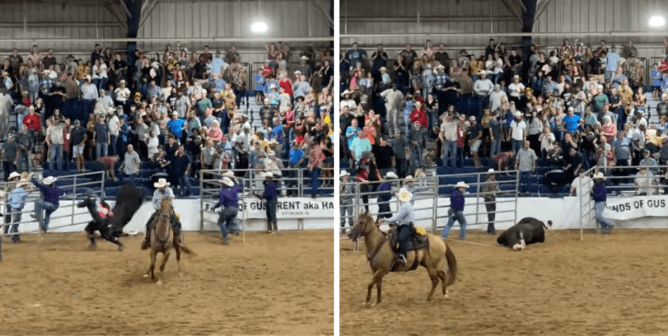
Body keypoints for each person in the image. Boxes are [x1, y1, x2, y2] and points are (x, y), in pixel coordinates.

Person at [141, 178, 183, 249]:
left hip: (168, 211)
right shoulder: (156, 192)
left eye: (162, 186)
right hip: (159, 211)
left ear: (165, 186)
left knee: (177, 224)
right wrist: (157, 207)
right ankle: (147, 240)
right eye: (160, 187)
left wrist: (167, 201)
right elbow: (153, 202)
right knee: (148, 224)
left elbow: (172, 197)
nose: (161, 188)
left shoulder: (169, 190)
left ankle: (177, 238)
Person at [378, 188, 415, 264]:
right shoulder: (406, 205)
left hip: (406, 226)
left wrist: (385, 219)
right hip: (405, 225)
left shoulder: (405, 207)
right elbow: (399, 218)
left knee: (401, 239)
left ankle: (403, 256)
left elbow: (396, 218)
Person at [212, 177, 238, 245]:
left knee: (220, 222)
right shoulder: (234, 189)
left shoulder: (222, 191)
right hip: (235, 209)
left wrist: (214, 207)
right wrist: (235, 179)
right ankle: (226, 236)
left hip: (228, 208)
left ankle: (225, 237)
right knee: (228, 223)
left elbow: (221, 202)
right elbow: (239, 185)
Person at [7, 178, 30, 243]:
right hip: (17, 208)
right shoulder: (22, 191)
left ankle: (15, 237)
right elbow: (27, 193)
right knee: (15, 223)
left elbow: (9, 197)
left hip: (13, 208)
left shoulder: (14, 190)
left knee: (15, 222)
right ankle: (13, 237)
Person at [483, 169, 498, 235]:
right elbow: (484, 192)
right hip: (488, 199)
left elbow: (497, 189)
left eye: (493, 174)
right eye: (491, 175)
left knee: (492, 214)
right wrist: (492, 193)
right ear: (489, 176)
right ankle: (492, 229)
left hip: (493, 199)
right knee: (491, 213)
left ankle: (489, 228)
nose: (493, 176)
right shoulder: (486, 183)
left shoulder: (496, 182)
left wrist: (495, 193)